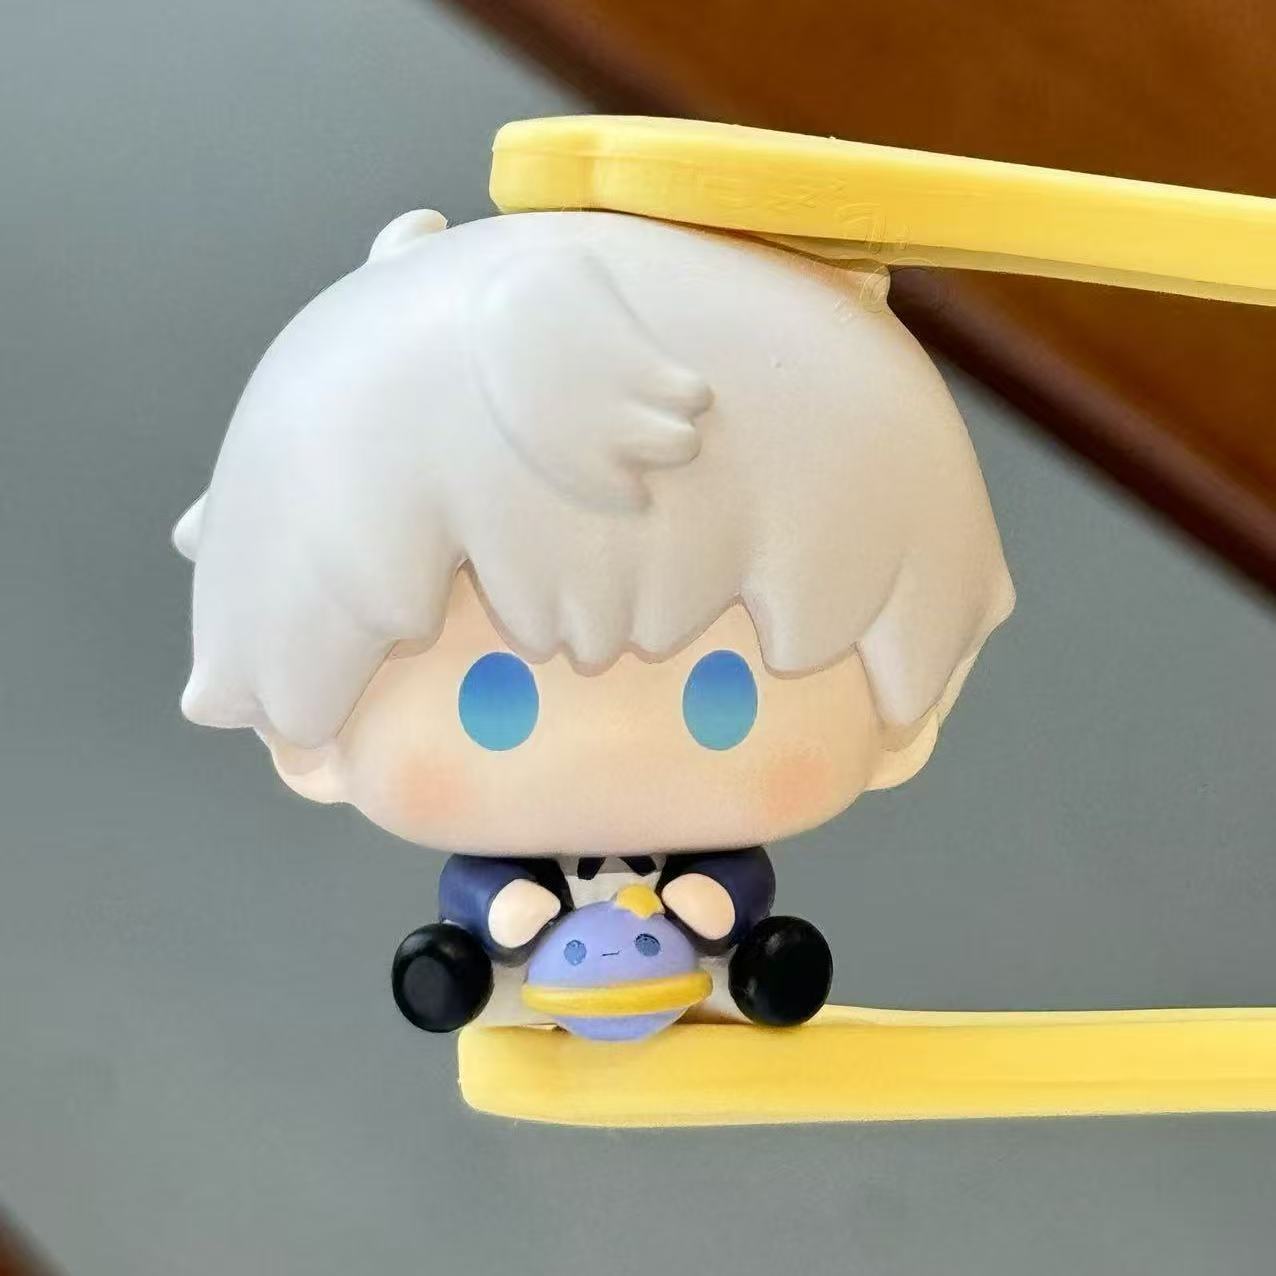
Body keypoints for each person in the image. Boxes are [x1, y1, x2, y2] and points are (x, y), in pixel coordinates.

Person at [174, 205, 1013, 1037]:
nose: (612, 742)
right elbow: (475, 889)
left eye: (723, 695)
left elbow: (738, 885)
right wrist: (508, 909)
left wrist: (713, 901)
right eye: (493, 700)